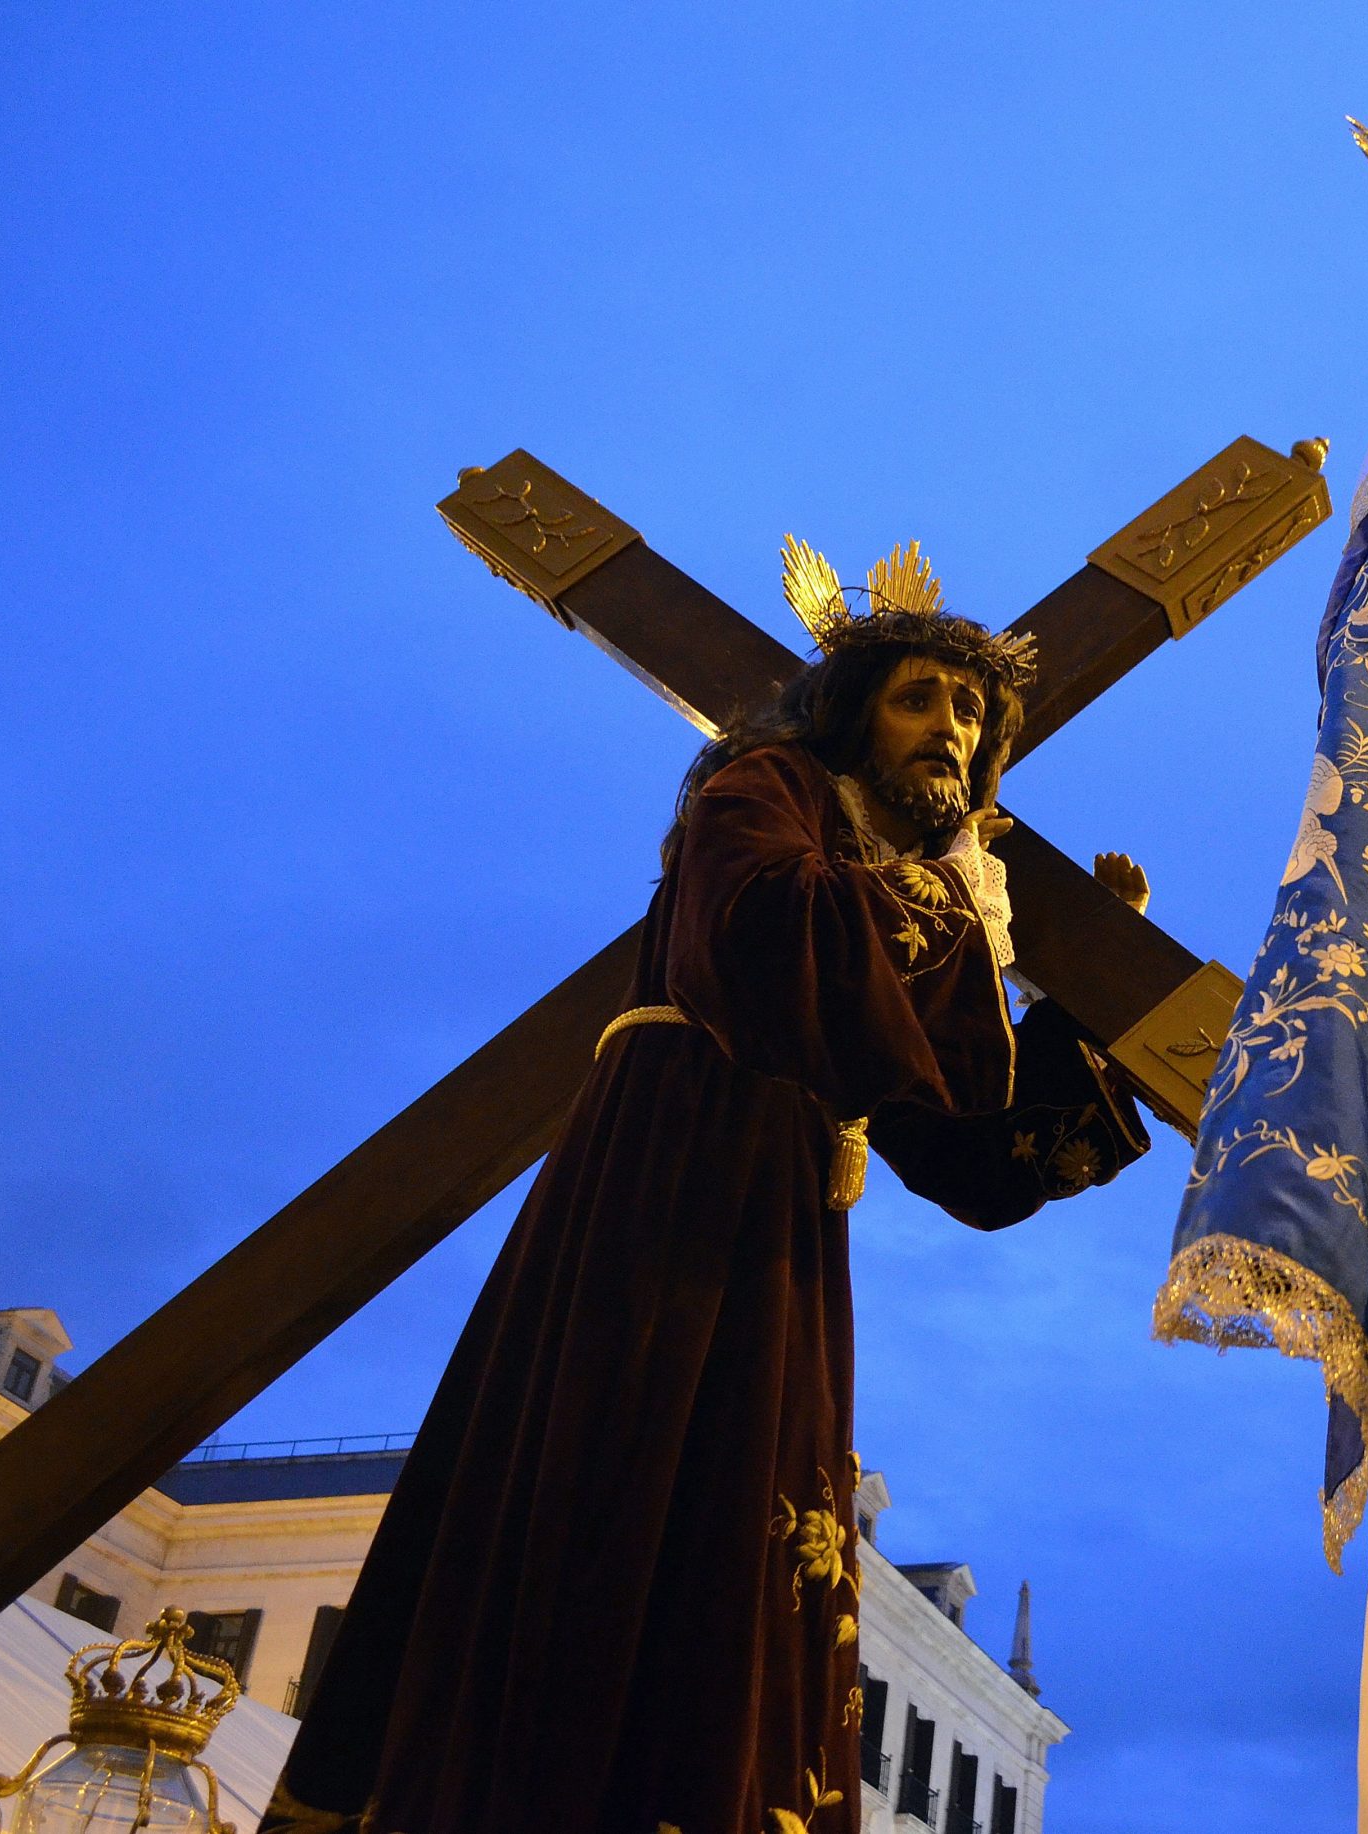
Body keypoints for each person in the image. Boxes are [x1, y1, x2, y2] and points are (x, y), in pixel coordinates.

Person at [268, 542, 1150, 1834]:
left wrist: (1079, 1018)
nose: (950, 731)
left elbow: (967, 1148)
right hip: (667, 1172)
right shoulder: (765, 784)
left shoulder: (913, 886)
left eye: (971, 713)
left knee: (741, 1526)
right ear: (854, 713)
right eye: (920, 698)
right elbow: (763, 937)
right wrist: (950, 896)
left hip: (782, 1210)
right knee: (615, 1480)